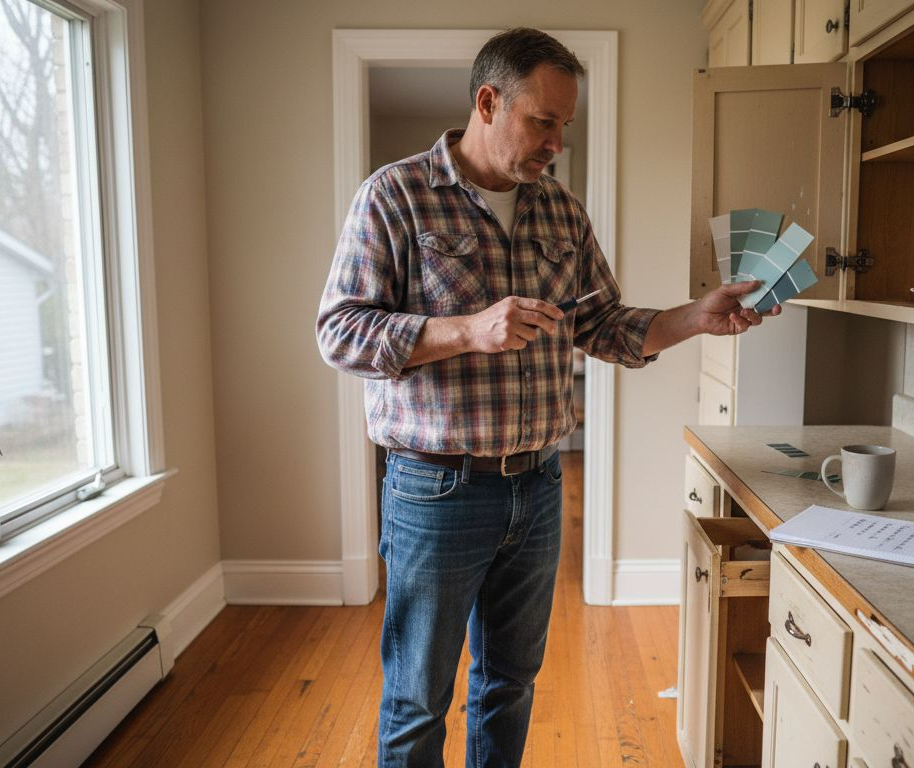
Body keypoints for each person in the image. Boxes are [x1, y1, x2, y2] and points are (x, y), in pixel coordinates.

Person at [316, 27, 779, 767]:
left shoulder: (562, 211)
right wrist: (467, 330)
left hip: (537, 487)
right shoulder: (395, 195)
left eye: (565, 125)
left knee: (510, 683)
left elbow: (604, 326)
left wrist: (697, 317)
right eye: (543, 122)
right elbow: (340, 333)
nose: (557, 143)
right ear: (488, 102)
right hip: (435, 492)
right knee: (416, 699)